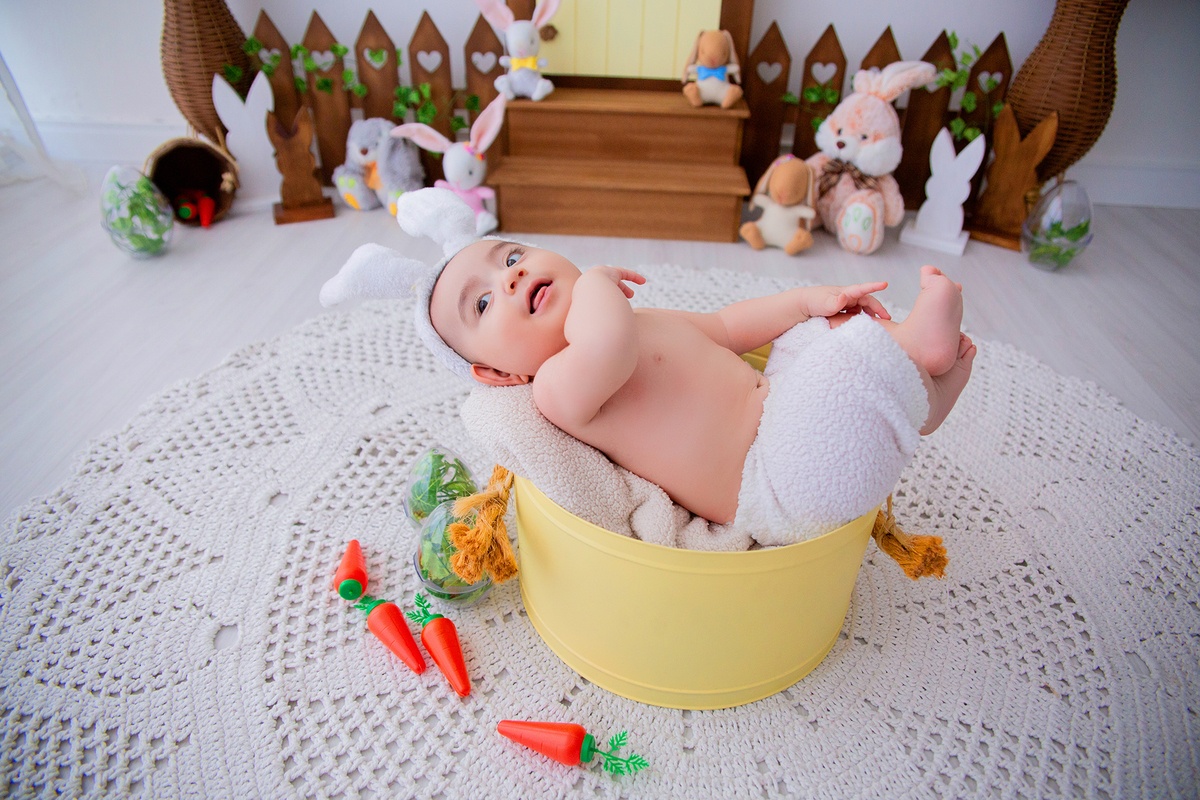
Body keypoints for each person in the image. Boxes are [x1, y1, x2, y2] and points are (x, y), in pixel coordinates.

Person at [322, 188, 976, 544]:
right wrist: (599, 284)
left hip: (781, 411)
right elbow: (609, 346)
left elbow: (727, 327)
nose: (514, 276)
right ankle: (912, 359)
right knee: (844, 376)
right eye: (485, 301)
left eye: (511, 255)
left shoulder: (641, 321)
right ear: (498, 376)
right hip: (772, 485)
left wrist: (807, 300)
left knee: (821, 332)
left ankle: (924, 388)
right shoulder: (556, 388)